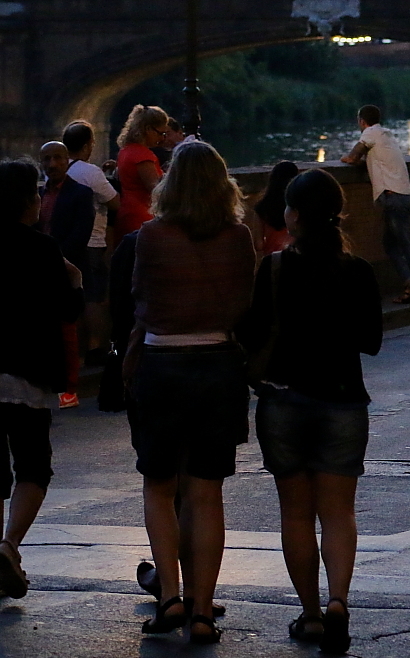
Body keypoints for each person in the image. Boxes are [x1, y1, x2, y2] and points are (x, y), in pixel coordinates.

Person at [241, 170, 381, 655]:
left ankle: (311, 614)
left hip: (284, 401)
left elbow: (252, 333)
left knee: (296, 514)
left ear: (294, 215)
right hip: (343, 399)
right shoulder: (358, 270)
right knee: (339, 512)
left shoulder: (275, 268)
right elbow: (372, 341)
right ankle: (339, 601)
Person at [125, 141, 255, 645]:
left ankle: (170, 598)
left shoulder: (151, 236)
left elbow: (140, 298)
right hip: (219, 364)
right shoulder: (238, 236)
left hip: (162, 363)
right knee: (206, 491)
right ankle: (204, 609)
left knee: (159, 485)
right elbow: (243, 303)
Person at [0, 158, 84, 599]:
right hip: (27, 373)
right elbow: (67, 312)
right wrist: (75, 279)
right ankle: (9, 546)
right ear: (28, 201)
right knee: (33, 466)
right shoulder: (42, 249)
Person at [341, 105, 410, 304]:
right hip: (405, 196)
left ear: (362, 121)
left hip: (393, 198)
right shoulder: (386, 135)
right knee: (399, 244)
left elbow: (354, 155)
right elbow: (374, 161)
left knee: (400, 245)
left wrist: (348, 159)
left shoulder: (370, 133)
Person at [38, 142, 92, 409]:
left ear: (66, 160)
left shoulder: (80, 193)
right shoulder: (37, 193)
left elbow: (80, 236)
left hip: (65, 269)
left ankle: (69, 390)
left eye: (57, 158)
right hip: (38, 270)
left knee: (68, 332)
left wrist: (53, 260)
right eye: (47, 159)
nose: (52, 164)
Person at [62, 121, 119, 365]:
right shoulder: (91, 172)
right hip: (93, 241)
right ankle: (97, 346)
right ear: (88, 145)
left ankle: (79, 348)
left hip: (68, 240)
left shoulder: (62, 169)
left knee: (75, 294)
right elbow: (115, 202)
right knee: (95, 297)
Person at [115, 105, 169, 235]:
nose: (162, 138)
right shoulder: (143, 156)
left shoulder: (126, 150)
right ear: (148, 129)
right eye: (160, 133)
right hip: (141, 215)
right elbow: (156, 189)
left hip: (126, 212)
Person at [254, 161, 300, 257]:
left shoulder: (262, 208)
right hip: (296, 258)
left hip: (272, 260)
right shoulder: (298, 206)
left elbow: (258, 245)